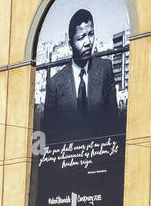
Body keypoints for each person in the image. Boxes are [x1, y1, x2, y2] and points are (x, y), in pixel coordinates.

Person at [42, 8, 120, 145]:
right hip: (69, 158)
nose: (88, 42)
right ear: (70, 44)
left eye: (91, 34)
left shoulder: (105, 69)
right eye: (81, 38)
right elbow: (49, 134)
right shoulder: (55, 84)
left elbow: (113, 121)